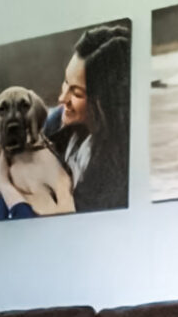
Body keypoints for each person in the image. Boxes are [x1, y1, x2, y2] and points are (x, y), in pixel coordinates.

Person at [44, 24, 132, 213]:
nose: (62, 99)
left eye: (76, 93)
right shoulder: (53, 125)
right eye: (65, 82)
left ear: (103, 102)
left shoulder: (122, 164)